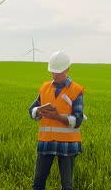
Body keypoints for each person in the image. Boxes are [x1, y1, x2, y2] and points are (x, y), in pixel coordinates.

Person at [29, 51, 85, 190]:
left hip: (67, 145)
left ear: (67, 69)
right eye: (53, 72)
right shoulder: (45, 87)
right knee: (38, 182)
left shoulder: (76, 90)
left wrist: (58, 117)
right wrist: (38, 112)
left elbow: (78, 120)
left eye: (58, 72)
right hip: (46, 142)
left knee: (67, 185)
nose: (55, 75)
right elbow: (32, 110)